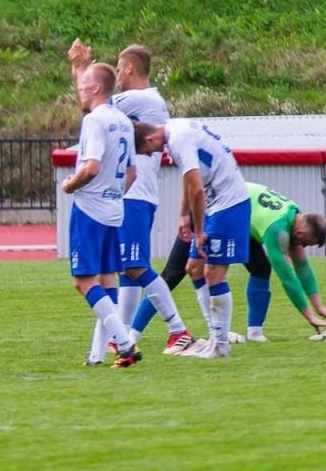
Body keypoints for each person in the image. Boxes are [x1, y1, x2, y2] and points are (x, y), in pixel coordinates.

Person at [68, 40, 195, 361]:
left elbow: (91, 104)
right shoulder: (132, 109)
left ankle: (176, 328)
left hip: (131, 197)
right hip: (127, 195)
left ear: (126, 68)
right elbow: (93, 99)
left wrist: (81, 68)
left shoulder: (139, 99)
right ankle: (109, 345)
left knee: (133, 267)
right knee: (120, 273)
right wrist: (81, 70)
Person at [133, 119, 251, 358]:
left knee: (213, 273)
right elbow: (190, 179)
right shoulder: (176, 128)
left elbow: (196, 188)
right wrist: (183, 214)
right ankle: (214, 337)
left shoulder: (179, 139)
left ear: (149, 139)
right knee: (194, 268)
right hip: (216, 204)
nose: (153, 154)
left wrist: (199, 232)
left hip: (228, 204)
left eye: (147, 151)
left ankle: (220, 345)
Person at [61, 64, 145, 367]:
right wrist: (112, 193)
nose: (80, 90)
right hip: (114, 210)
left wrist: (71, 184)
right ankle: (96, 355)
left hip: (90, 208)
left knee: (83, 282)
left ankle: (124, 344)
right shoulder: (122, 120)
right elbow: (132, 173)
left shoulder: (95, 121)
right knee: (107, 281)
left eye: (84, 85)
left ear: (96, 88)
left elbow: (92, 166)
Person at [238, 183, 326, 339]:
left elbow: (303, 267)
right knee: (201, 269)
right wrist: (309, 316)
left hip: (241, 218)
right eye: (305, 243)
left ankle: (254, 332)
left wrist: (319, 307)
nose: (303, 247)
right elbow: (287, 277)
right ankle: (209, 333)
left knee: (261, 270)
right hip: (218, 204)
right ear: (299, 233)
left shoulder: (295, 217)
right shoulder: (277, 230)